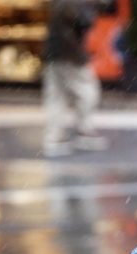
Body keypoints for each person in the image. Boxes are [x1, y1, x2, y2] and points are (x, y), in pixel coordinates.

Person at [42, 0, 101, 156]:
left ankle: (54, 138)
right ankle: (84, 131)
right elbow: (85, 21)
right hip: (70, 54)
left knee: (56, 97)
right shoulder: (73, 4)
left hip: (54, 53)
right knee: (88, 90)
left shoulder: (60, 4)